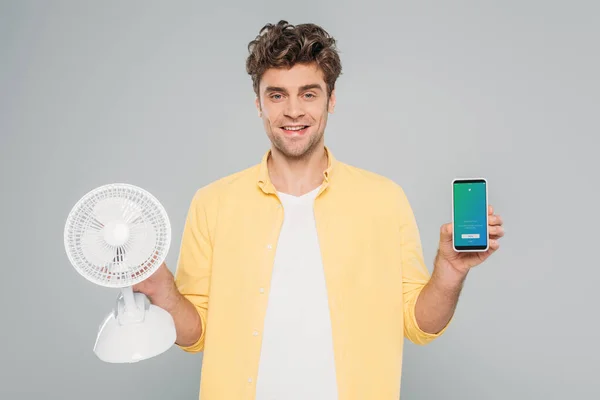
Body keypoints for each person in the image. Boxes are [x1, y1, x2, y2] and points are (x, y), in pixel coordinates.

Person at [133, 20, 504, 400]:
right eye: (277, 96)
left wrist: (450, 271)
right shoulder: (212, 202)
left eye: (308, 94)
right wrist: (164, 292)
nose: (293, 111)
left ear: (331, 99)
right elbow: (194, 336)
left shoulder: (384, 199)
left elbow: (420, 324)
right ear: (258, 103)